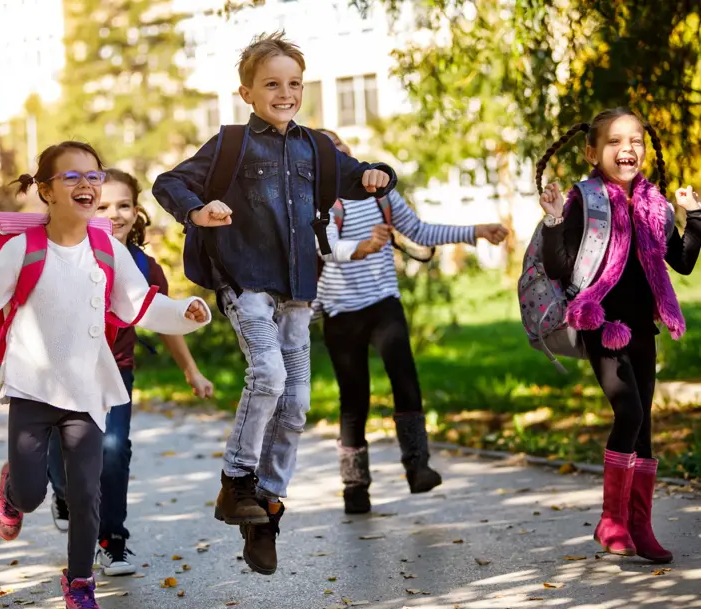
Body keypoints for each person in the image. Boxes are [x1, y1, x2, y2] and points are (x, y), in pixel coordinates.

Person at [0, 141, 211, 609]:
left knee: (85, 494)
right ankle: (14, 487)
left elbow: (137, 305)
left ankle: (80, 587)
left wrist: (184, 314)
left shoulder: (108, 251)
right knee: (32, 497)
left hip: (86, 392)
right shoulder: (23, 249)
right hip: (32, 389)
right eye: (71, 177)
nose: (86, 185)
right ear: (46, 191)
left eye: (93, 176)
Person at [152, 31, 395, 576]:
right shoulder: (231, 144)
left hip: (297, 287)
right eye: (271, 84)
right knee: (268, 376)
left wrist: (379, 174)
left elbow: (357, 179)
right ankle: (235, 481)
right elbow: (169, 182)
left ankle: (265, 508)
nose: (284, 93)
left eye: (293, 83)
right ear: (247, 92)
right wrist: (198, 210)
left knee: (298, 403)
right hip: (245, 279)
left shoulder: (316, 146)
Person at [538, 107, 701, 564]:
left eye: (635, 141)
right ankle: (611, 518)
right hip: (598, 322)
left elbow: (682, 261)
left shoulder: (654, 204)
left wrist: (695, 215)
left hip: (642, 325)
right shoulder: (584, 199)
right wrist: (553, 220)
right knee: (627, 409)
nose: (627, 149)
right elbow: (560, 266)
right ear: (592, 152)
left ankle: (641, 525)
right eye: (614, 141)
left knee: (644, 424)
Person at [315, 129, 508, 512]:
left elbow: (418, 230)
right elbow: (326, 249)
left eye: (341, 146)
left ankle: (418, 466)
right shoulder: (319, 204)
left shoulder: (380, 193)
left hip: (383, 302)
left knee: (405, 377)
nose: (338, 153)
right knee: (354, 399)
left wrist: (475, 231)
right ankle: (355, 487)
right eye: (327, 150)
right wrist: (363, 246)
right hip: (340, 311)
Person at [46, 168, 214, 576]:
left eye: (123, 205)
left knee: (114, 449)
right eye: (103, 206)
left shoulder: (144, 266)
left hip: (115, 371)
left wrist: (191, 370)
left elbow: (165, 318)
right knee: (64, 451)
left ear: (137, 212)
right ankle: (64, 492)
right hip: (62, 373)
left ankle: (113, 540)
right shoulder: (64, 253)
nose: (114, 214)